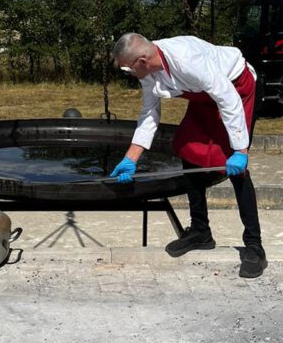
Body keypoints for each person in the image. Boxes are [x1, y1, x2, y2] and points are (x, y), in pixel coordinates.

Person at [110, 32, 267, 278]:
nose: (128, 75)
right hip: (205, 96)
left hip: (236, 88)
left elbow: (228, 100)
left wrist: (240, 151)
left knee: (236, 167)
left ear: (141, 61)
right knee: (186, 146)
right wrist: (131, 157)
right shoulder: (150, 70)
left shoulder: (187, 60)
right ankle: (200, 232)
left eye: (127, 70)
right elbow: (150, 112)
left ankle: (255, 245)